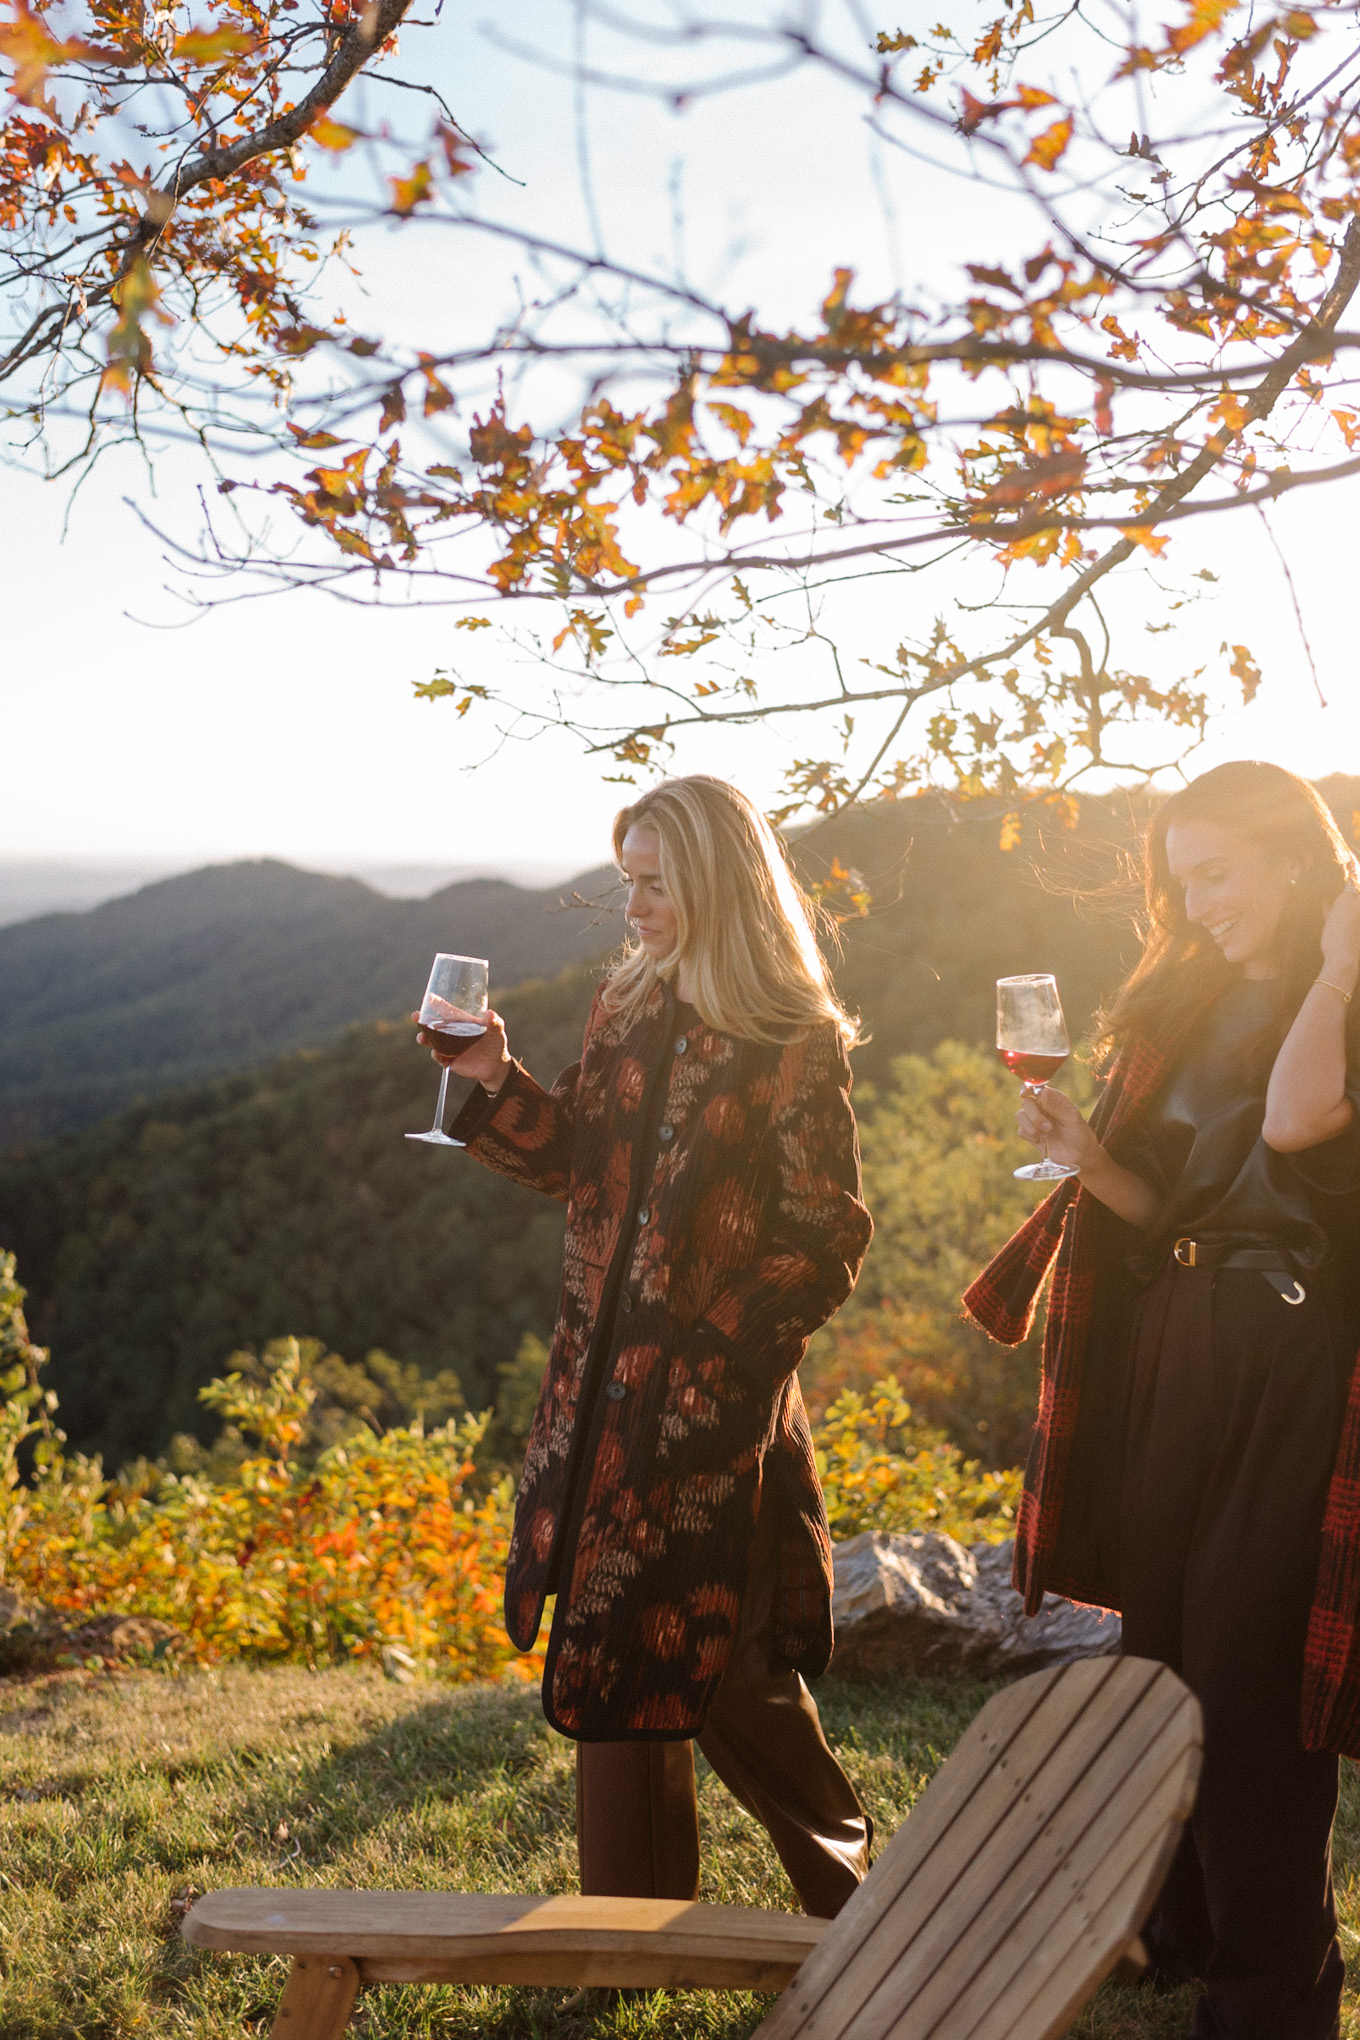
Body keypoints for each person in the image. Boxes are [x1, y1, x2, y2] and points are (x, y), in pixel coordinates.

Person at [418, 774, 874, 1917]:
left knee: (733, 1668)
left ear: (718, 886)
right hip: (597, 1398)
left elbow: (825, 1237)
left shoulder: (792, 1037)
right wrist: (491, 1082)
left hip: (714, 1408)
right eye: (628, 882)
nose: (634, 908)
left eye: (656, 885)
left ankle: (856, 1897)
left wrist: (712, 1358)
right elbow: (576, 1159)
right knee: (612, 1640)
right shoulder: (622, 1007)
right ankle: (627, 1928)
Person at [965, 759, 1360, 2040]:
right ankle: (1180, 1929)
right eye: (1178, 883)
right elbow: (1172, 1216)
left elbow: (1298, 1130)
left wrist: (1343, 964)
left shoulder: (1343, 999)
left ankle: (1275, 1992)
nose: (1194, 907)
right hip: (1178, 1338)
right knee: (1163, 1653)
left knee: (1250, 1676)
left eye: (1217, 876)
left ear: (1296, 859)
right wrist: (1091, 1163)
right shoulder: (1189, 1003)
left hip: (1298, 1358)